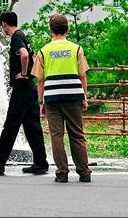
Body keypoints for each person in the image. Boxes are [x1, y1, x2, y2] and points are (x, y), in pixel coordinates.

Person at [0, 11, 49, 175]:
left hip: (22, 87)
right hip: (29, 87)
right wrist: (30, 74)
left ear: (4, 24)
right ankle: (40, 162)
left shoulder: (16, 37)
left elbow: (24, 55)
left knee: (10, 125)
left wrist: (23, 73)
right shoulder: (23, 35)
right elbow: (34, 56)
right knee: (32, 126)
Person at [32, 14, 92, 183]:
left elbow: (40, 80)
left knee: (57, 135)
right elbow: (82, 76)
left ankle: (62, 172)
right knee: (77, 134)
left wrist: (41, 102)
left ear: (50, 30)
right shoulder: (76, 49)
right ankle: (83, 171)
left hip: (52, 98)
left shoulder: (43, 51)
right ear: (68, 29)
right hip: (73, 96)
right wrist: (84, 97)